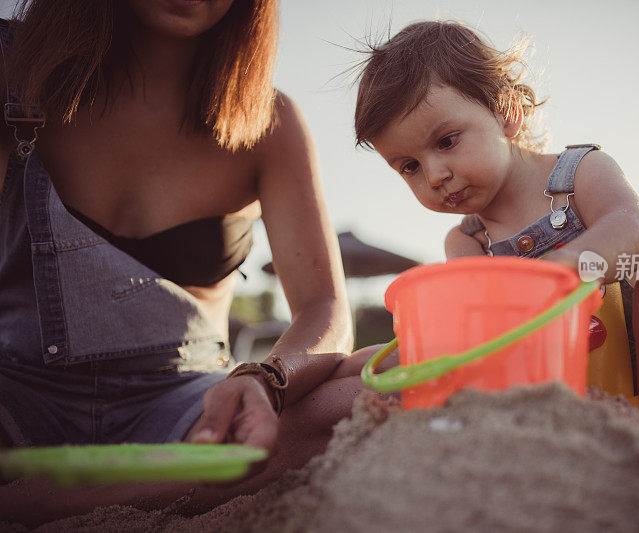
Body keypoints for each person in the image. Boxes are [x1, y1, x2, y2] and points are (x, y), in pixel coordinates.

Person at [0, 0, 380, 524]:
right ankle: (136, 488)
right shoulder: (17, 71)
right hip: (18, 391)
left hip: (187, 409)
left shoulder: (268, 122)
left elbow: (325, 307)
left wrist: (264, 380)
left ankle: (38, 501)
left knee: (373, 385)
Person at [353, 20, 639, 440]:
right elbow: (481, 331)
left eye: (447, 141)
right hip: (580, 372)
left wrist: (564, 268)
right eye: (409, 167)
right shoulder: (467, 242)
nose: (434, 175)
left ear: (507, 113)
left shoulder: (581, 172)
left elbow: (636, 231)